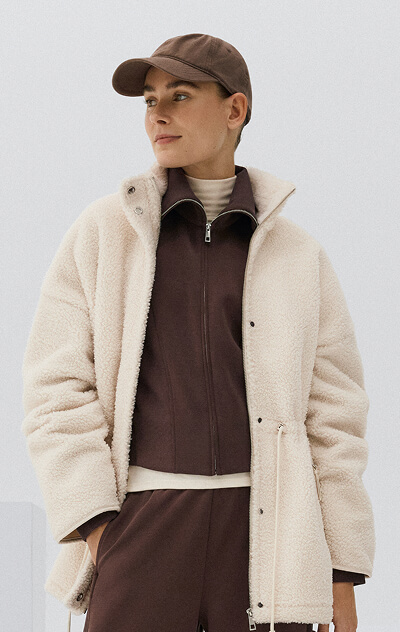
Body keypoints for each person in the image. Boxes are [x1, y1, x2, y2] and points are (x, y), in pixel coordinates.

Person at [21, 33, 375, 632]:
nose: (157, 114)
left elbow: (334, 420)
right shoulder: (106, 233)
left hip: (270, 541)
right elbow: (55, 389)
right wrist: (97, 526)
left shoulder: (297, 255)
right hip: (141, 527)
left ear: (234, 110)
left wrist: (340, 570)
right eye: (149, 99)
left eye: (180, 95)